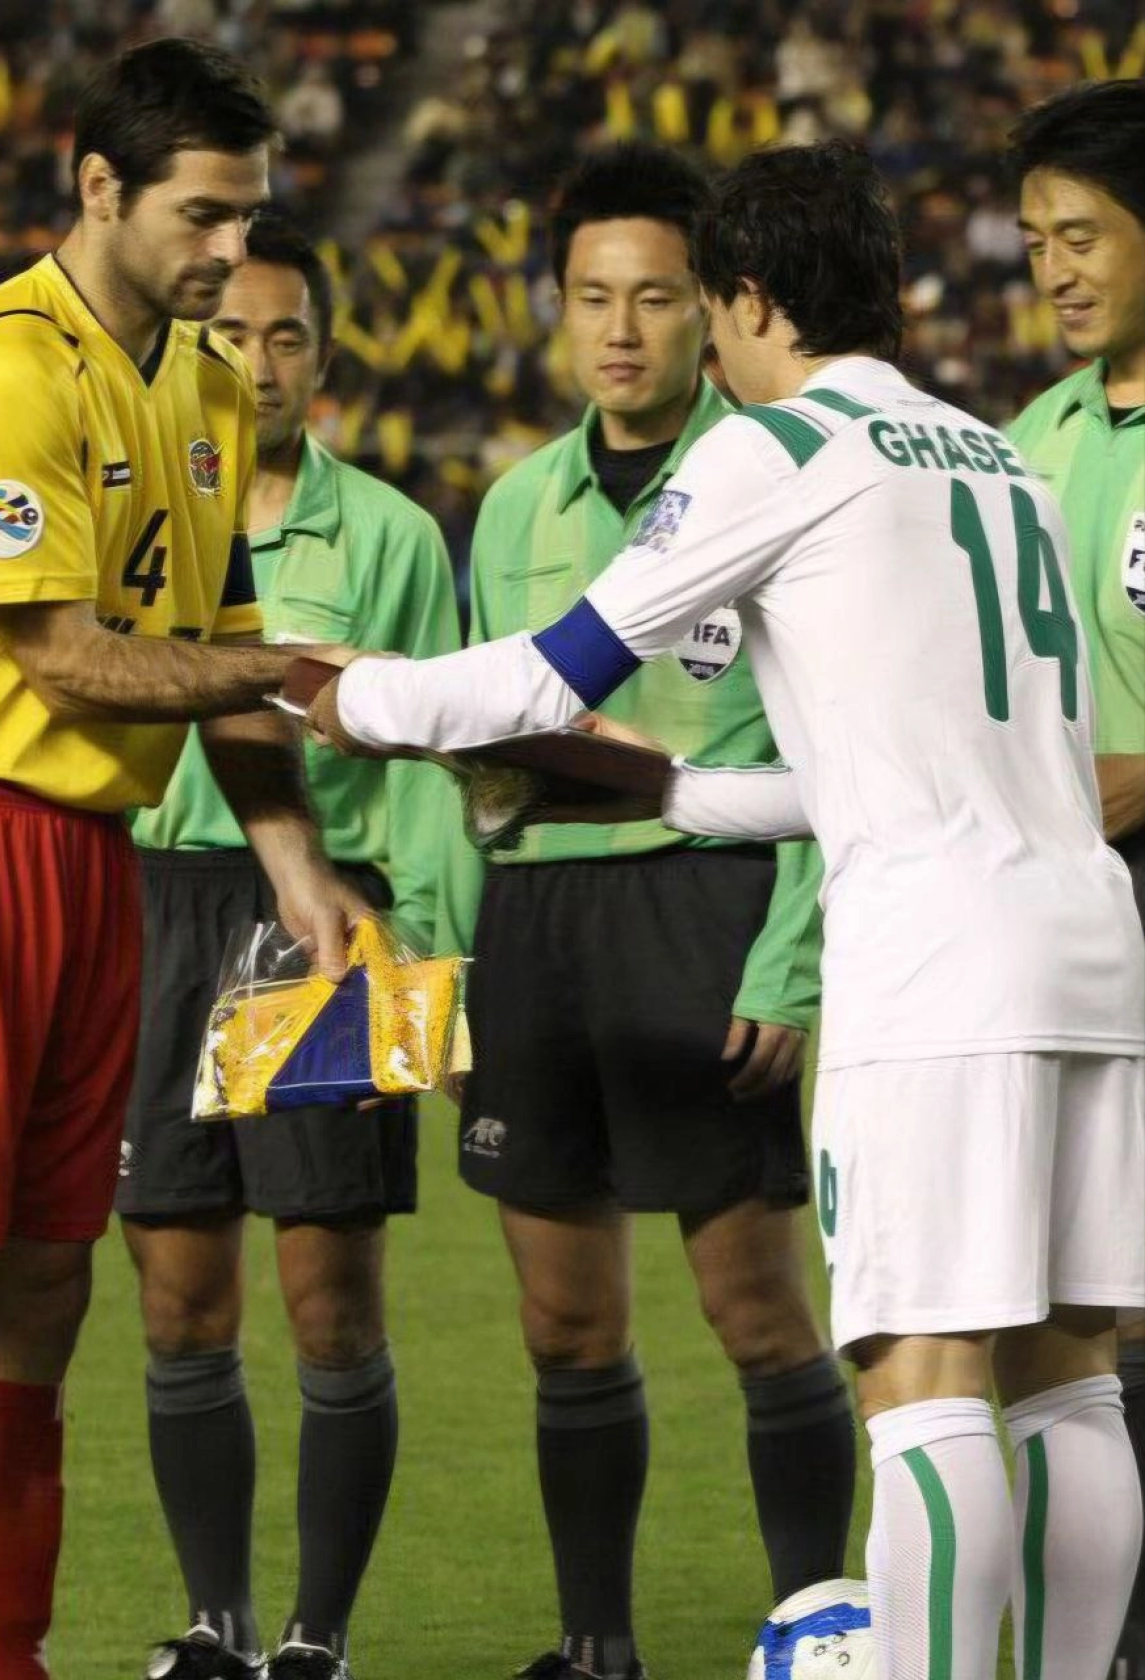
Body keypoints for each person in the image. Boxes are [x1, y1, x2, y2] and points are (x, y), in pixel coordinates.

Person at [305, 140, 1145, 1680]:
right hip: (1085, 943)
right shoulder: (1000, 461)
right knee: (1069, 1375)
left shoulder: (776, 448)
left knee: (924, 1379)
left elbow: (549, 670)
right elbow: (920, 770)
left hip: (936, 970)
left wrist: (340, 695)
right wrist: (679, 795)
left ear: (748, 301)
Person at [0, 41, 360, 1680]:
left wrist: (296, 864)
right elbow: (64, 658)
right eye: (202, 215)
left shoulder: (202, 385)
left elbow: (215, 645)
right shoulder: (0, 366)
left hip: (91, 858)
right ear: (99, 187)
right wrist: (290, 672)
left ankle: (6, 1662)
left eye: (249, 215)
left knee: (49, 1282)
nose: (230, 253)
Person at [431, 140, 860, 1680]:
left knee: (756, 1311)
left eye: (657, 298)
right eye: (593, 298)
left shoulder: (771, 483)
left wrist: (789, 962)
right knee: (564, 1324)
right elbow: (478, 767)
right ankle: (595, 1647)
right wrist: (456, 964)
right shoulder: (513, 505)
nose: (621, 330)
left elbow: (831, 748)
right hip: (537, 927)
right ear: (558, 309)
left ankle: (819, 1629)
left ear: (712, 308)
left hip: (709, 904)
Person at [119, 214, 460, 1680]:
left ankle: (319, 1638)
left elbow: (438, 765)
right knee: (178, 1296)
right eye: (229, 335)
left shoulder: (387, 535)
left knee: (330, 1302)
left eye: (286, 335)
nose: (257, 364)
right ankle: (217, 1624)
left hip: (321, 918)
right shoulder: (134, 513)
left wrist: (432, 962)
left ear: (323, 355)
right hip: (149, 908)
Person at [1006, 79, 1145, 1679]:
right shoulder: (1031, 444)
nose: (1053, 269)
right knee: (1086, 1299)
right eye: (1036, 240)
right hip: (1066, 909)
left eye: (1084, 235)